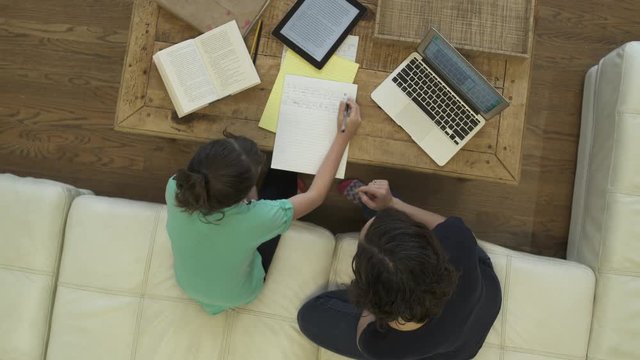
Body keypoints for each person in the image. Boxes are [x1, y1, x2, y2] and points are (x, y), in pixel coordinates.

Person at [165, 100, 361, 315]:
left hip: (190, 284)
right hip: (240, 293)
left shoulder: (176, 186)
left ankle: (287, 186)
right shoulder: (257, 219)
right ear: (245, 194)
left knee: (279, 187)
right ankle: (287, 186)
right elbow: (315, 196)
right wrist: (343, 135)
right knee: (280, 181)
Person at [297, 179, 502, 359]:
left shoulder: (380, 346)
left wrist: (372, 297)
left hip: (451, 350)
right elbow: (443, 225)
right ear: (426, 243)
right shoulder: (459, 241)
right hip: (484, 293)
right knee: (385, 212)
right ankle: (380, 205)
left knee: (309, 316)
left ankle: (377, 206)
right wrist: (393, 204)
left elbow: (364, 331)